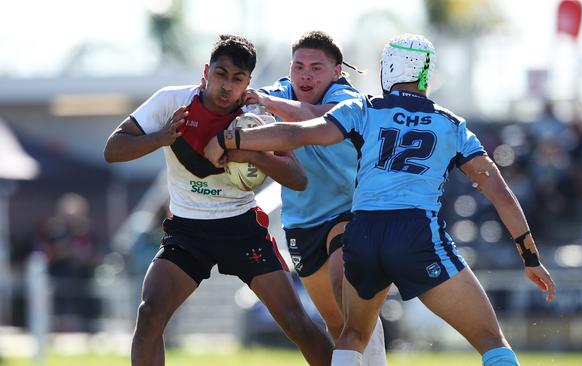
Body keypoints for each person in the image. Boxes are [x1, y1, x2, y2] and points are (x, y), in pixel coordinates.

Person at [205, 33, 557, 366]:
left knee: (352, 334)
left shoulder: (363, 108)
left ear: (386, 68)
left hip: (364, 234)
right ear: (428, 75)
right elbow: (500, 192)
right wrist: (529, 256)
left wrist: (232, 142)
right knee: (491, 339)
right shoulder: (451, 124)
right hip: (416, 234)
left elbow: (297, 133)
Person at [104, 34, 333, 366]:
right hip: (187, 230)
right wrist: (160, 137)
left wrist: (250, 153)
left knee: (296, 322)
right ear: (206, 72)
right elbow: (113, 149)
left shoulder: (255, 116)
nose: (227, 86)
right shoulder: (172, 101)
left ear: (248, 84)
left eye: (237, 79)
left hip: (242, 229)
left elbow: (297, 178)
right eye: (221, 74)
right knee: (150, 312)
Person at [240, 30, 386, 364]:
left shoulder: (348, 99)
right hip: (302, 222)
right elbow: (250, 102)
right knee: (335, 322)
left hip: (349, 213)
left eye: (316, 67)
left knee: (349, 298)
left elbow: (310, 117)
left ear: (336, 71)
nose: (305, 74)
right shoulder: (277, 92)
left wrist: (264, 103)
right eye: (299, 66)